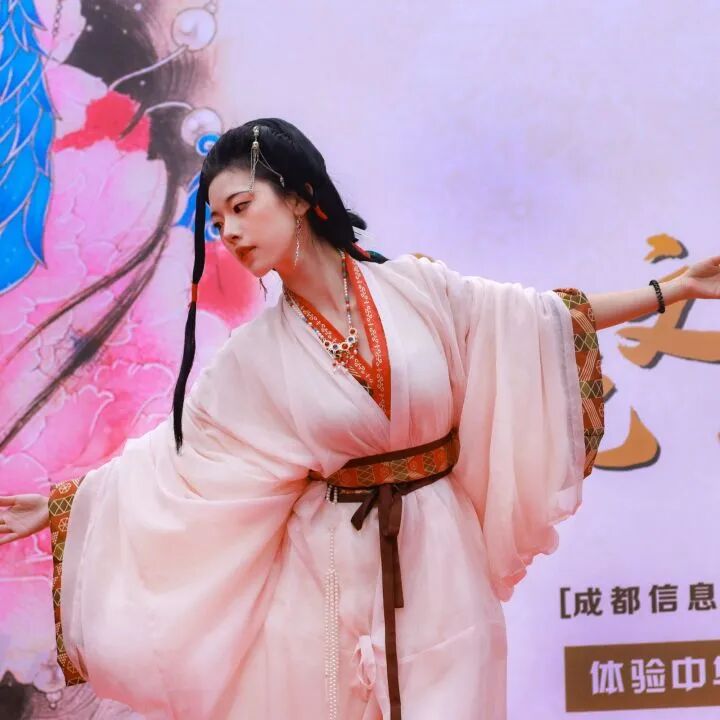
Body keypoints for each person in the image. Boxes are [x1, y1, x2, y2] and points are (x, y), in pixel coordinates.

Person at [1, 118, 718, 720]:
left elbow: (544, 318)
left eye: (242, 207)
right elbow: (179, 461)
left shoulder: (416, 287)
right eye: (218, 223)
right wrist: (66, 504)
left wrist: (673, 288)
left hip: (443, 554)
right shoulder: (253, 358)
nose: (231, 233)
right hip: (328, 575)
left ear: (299, 195)